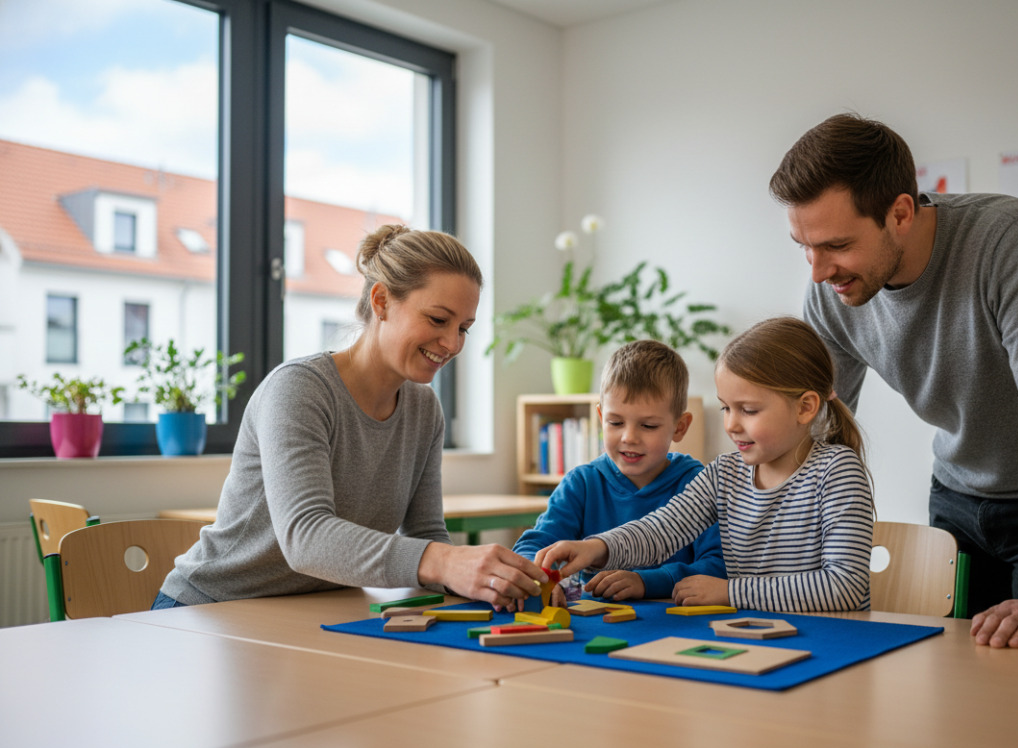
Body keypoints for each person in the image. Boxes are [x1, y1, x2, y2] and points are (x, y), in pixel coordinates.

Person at [768, 112, 1018, 648]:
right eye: (804, 245)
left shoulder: (1013, 244)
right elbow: (815, 431)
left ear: (900, 213)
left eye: (837, 245)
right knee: (960, 685)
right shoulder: (828, 292)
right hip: (958, 494)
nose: (818, 271)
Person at [154, 224, 545, 610]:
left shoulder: (424, 410)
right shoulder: (299, 390)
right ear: (381, 301)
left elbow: (426, 533)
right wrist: (444, 562)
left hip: (316, 608)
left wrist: (486, 581)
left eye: (464, 328)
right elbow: (305, 538)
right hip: (210, 608)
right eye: (438, 320)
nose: (452, 343)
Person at [536, 316, 874, 613]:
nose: (731, 424)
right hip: (753, 634)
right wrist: (597, 547)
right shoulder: (723, 474)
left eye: (749, 410)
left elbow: (845, 586)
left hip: (831, 639)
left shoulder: (836, 471)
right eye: (726, 408)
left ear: (805, 408)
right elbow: (660, 531)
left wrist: (729, 592)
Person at [512, 340, 725, 606]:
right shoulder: (582, 483)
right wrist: (539, 581)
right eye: (615, 422)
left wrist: (647, 582)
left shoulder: (699, 485)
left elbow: (719, 567)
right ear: (601, 418)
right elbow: (536, 544)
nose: (629, 437)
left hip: (674, 624)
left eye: (648, 425)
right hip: (592, 625)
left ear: (680, 427)